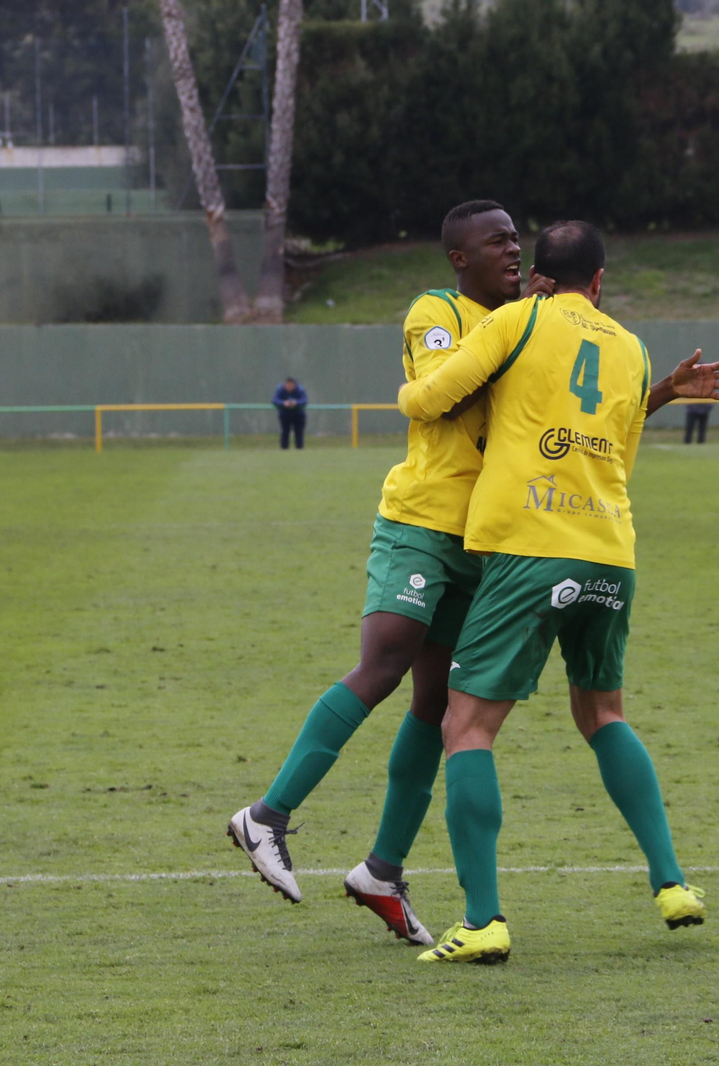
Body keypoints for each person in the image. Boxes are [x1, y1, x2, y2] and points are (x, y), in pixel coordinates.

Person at [395, 220, 719, 964]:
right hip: (610, 550)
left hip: (529, 547)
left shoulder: (516, 321)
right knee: (602, 712)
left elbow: (430, 399)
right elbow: (615, 450)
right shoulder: (629, 345)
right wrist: (662, 394)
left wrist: (408, 385)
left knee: (466, 727)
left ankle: (483, 921)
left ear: (541, 276)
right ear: (601, 280)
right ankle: (672, 882)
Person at [228, 200, 547, 947]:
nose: (513, 250)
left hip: (482, 540)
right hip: (420, 521)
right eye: (496, 240)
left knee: (437, 707)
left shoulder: (522, 323)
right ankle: (266, 817)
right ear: (458, 258)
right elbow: (439, 393)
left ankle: (382, 870)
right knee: (385, 661)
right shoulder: (435, 311)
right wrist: (515, 334)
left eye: (517, 239)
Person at [273, 378, 308, 450]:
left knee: (299, 432)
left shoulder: (300, 390)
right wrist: (283, 403)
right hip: (285, 413)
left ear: (294, 385)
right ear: (285, 385)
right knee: (285, 431)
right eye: (288, 385)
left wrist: (296, 403)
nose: (289, 387)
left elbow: (304, 400)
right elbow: (275, 400)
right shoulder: (280, 389)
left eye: (291, 385)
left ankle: (299, 449)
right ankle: (284, 449)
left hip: (298, 413)